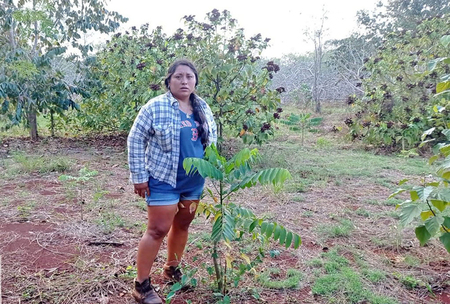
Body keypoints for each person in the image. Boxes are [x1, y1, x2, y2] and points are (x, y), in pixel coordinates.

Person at [127, 59, 217, 304]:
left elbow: (211, 141)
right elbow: (135, 140)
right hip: (163, 179)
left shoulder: (203, 107)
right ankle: (141, 286)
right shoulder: (155, 107)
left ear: (196, 81)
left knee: (183, 225)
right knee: (157, 230)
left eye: (189, 76)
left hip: (194, 182)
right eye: (178, 76)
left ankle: (171, 269)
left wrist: (212, 168)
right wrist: (139, 177)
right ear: (169, 81)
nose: (184, 81)